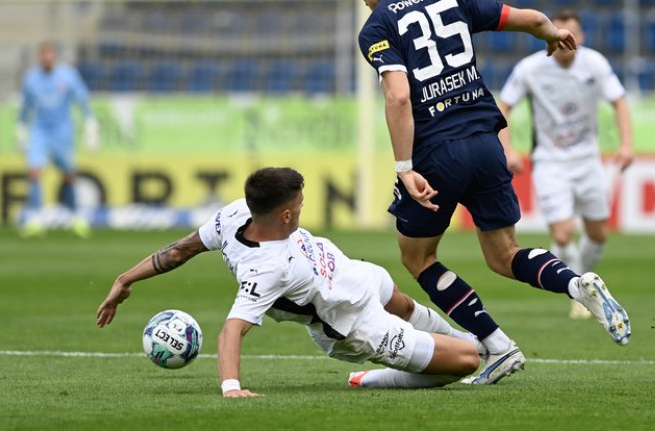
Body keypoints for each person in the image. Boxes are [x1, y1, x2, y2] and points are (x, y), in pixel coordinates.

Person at [345, 0, 630, 382]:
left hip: (437, 151)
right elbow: (531, 19)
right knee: (504, 254)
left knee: (417, 256)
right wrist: (552, 34)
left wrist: (405, 168)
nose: (363, 0)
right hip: (485, 141)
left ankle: (498, 345)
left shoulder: (377, 26)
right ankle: (576, 284)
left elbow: (398, 97)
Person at [97, 167, 489, 395]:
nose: (302, 208)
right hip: (353, 323)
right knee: (464, 362)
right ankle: (375, 378)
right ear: (285, 215)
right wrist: (231, 388)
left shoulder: (234, 213)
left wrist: (125, 279)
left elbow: (180, 251)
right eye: (300, 204)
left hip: (349, 272)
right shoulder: (266, 269)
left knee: (403, 303)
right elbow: (232, 330)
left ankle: (476, 343)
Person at [498, 10, 633, 319]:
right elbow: (503, 106)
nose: (565, 40)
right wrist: (509, 149)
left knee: (598, 234)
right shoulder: (530, 69)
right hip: (550, 162)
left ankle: (583, 281)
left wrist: (626, 145)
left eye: (572, 34)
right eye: (558, 34)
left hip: (588, 160)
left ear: (581, 37)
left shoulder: (595, 63)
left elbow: (619, 102)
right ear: (549, 36)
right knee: (562, 234)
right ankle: (580, 290)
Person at [16, 41, 99, 237]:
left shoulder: (68, 75)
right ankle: (36, 218)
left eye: (50, 54)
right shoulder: (31, 79)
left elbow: (82, 99)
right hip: (40, 132)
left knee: (68, 175)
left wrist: (90, 124)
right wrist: (21, 128)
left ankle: (75, 216)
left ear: (54, 56)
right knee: (34, 172)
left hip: (62, 132)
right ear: (40, 57)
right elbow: (26, 106)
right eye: (44, 54)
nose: (47, 58)